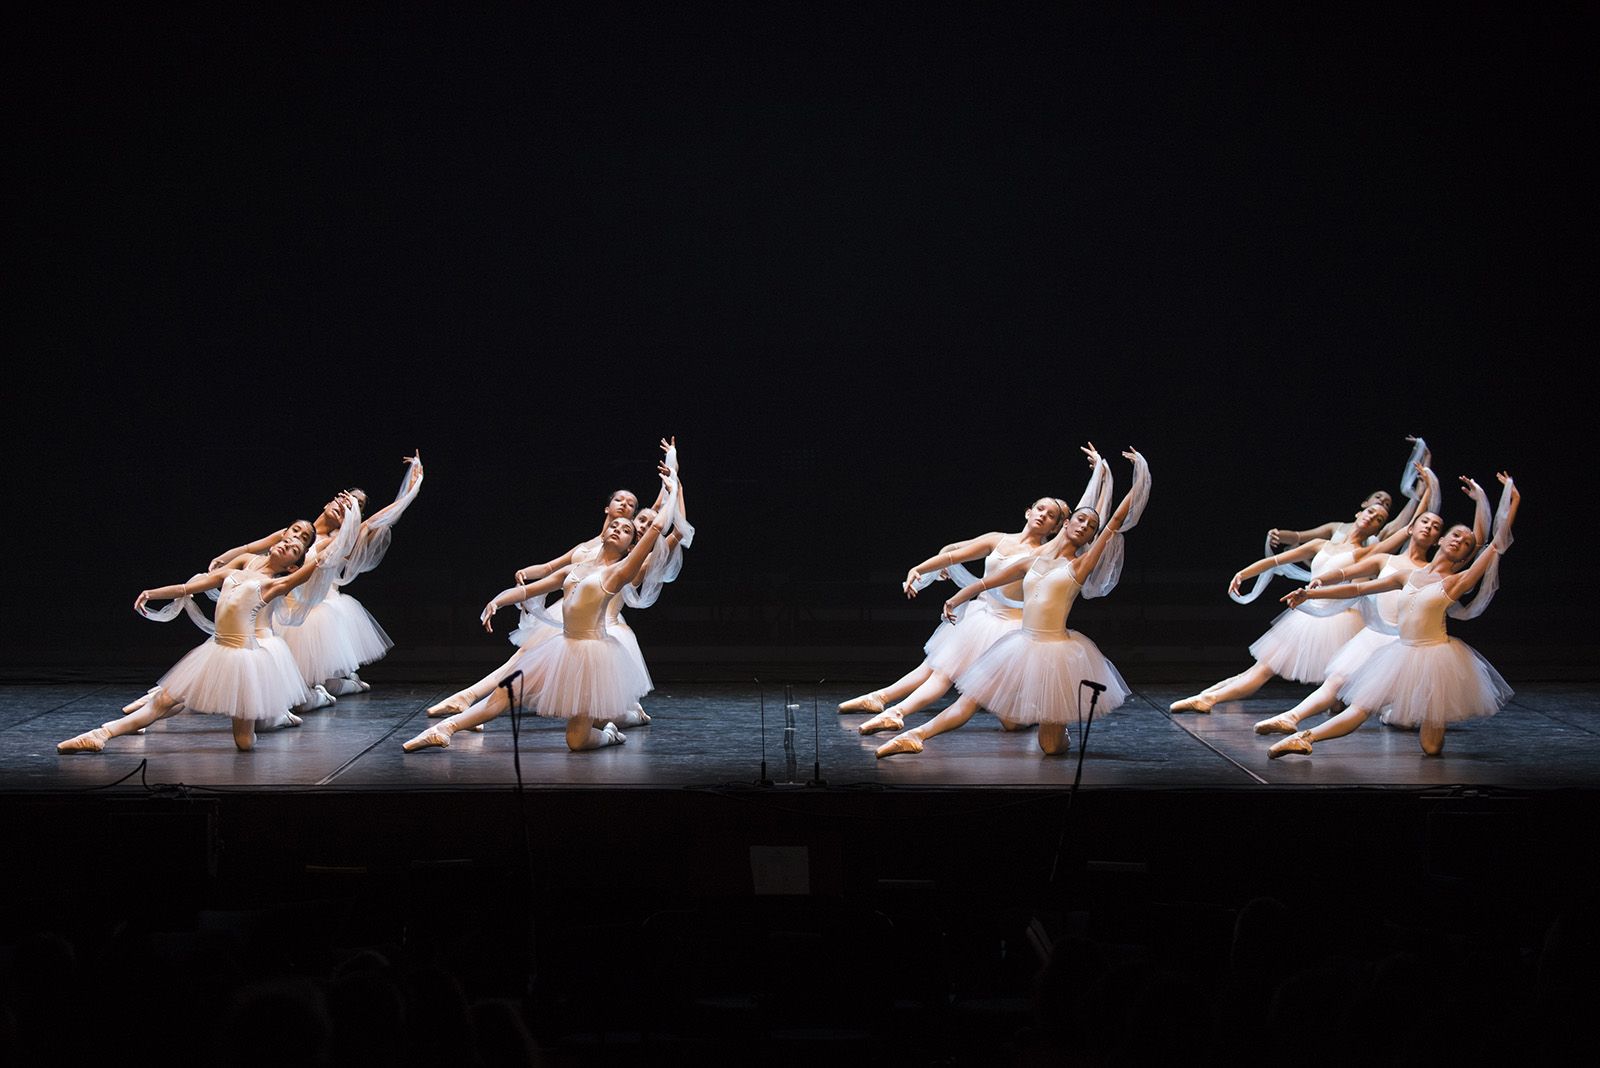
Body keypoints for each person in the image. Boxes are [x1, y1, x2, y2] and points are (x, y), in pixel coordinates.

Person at [876, 448, 1149, 758]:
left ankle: (1060, 734)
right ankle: (917, 735)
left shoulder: (1079, 565)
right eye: (1080, 520)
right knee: (969, 698)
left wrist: (1139, 480)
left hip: (1056, 653)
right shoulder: (1033, 559)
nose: (1084, 526)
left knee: (1050, 747)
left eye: (1089, 527)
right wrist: (956, 596)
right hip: (1020, 643)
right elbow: (986, 583)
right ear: (1067, 522)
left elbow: (1112, 522)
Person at [402, 468, 678, 753]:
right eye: (614, 526)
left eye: (626, 530)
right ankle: (443, 729)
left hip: (592, 657)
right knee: (502, 694)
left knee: (577, 741)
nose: (618, 530)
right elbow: (530, 589)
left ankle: (610, 735)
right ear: (605, 528)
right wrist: (497, 601)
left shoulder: (620, 573)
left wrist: (673, 488)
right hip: (560, 647)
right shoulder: (577, 567)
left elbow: (657, 528)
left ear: (629, 546)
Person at [1267, 473, 1519, 757]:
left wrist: (1510, 500)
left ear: (1465, 555)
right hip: (1402, 652)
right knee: (1361, 707)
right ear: (1441, 540)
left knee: (1431, 747)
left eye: (1465, 542)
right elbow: (1358, 588)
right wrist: (1310, 594)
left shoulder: (1457, 581)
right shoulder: (1406, 575)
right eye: (1455, 535)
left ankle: (1429, 727)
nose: (1459, 540)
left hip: (1436, 658)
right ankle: (1304, 737)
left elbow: (1496, 543)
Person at [58, 525, 343, 753]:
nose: (285, 545)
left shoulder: (274, 584)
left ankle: (278, 719)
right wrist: (152, 593)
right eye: (286, 540)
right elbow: (187, 587)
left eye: (294, 549)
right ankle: (100, 734)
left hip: (245, 662)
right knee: (162, 702)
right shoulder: (234, 572)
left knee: (244, 743)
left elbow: (314, 566)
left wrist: (346, 530)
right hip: (215, 653)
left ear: (292, 565)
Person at [213, 454, 424, 707]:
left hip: (311, 614)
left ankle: (341, 688)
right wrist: (224, 558)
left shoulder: (340, 540)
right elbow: (252, 547)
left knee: (302, 693)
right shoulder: (297, 531)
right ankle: (335, 685)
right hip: (280, 607)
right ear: (329, 501)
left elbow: (379, 519)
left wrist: (410, 488)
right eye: (345, 498)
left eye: (355, 504)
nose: (346, 504)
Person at [1168, 499, 1393, 714]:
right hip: (1307, 615)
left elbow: (1403, 530)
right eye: (1371, 512)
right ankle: (1208, 698)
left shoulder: (1365, 554)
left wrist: (1425, 496)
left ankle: (1209, 698)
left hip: (1336, 618)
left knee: (1334, 678)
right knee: (1266, 667)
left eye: (1379, 520)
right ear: (1358, 513)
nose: (1372, 518)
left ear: (1377, 531)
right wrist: (1243, 573)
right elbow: (1276, 561)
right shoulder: (1321, 545)